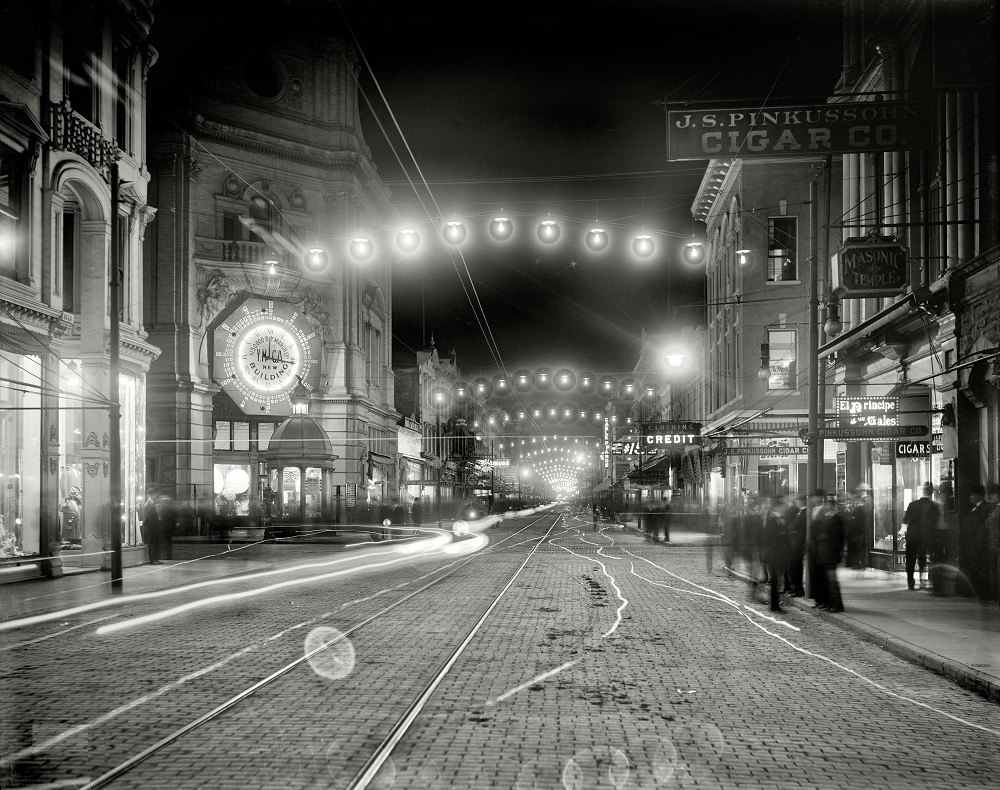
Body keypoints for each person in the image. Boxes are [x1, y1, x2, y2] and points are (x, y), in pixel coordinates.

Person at [901, 482, 939, 590]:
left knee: (910, 559)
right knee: (922, 558)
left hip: (912, 535)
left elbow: (905, 520)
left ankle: (910, 581)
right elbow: (934, 524)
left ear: (922, 491)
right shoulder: (934, 506)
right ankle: (922, 579)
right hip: (924, 536)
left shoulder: (912, 504)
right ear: (931, 492)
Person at [814, 494, 845, 612]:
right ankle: (828, 603)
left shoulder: (836, 518)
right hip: (824, 553)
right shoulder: (826, 517)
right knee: (826, 581)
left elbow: (838, 538)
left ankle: (836, 605)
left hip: (831, 554)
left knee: (832, 581)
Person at [760, 495, 791, 611]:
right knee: (775, 580)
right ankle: (774, 605)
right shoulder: (772, 520)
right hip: (774, 554)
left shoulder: (773, 519)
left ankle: (774, 605)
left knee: (776, 580)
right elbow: (772, 539)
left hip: (774, 554)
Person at [960, 485, 990, 598]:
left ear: (979, 496)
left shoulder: (984, 509)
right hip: (972, 544)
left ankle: (980, 592)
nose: (970, 497)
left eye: (973, 495)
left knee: (978, 568)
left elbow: (980, 528)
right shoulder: (976, 509)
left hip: (977, 544)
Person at [785, 495, 807, 597]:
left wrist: (793, 530)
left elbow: (801, 528)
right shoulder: (799, 512)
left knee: (796, 567)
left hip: (798, 545)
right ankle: (796, 588)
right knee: (793, 567)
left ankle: (799, 589)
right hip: (794, 544)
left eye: (798, 501)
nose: (796, 503)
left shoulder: (805, 513)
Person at [142, 488, 162, 564]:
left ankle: (155, 559)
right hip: (151, 528)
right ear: (150, 495)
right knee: (152, 544)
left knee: (155, 543)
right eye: (155, 494)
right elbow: (147, 518)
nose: (156, 495)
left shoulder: (151, 504)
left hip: (153, 528)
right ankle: (153, 559)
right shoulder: (148, 505)